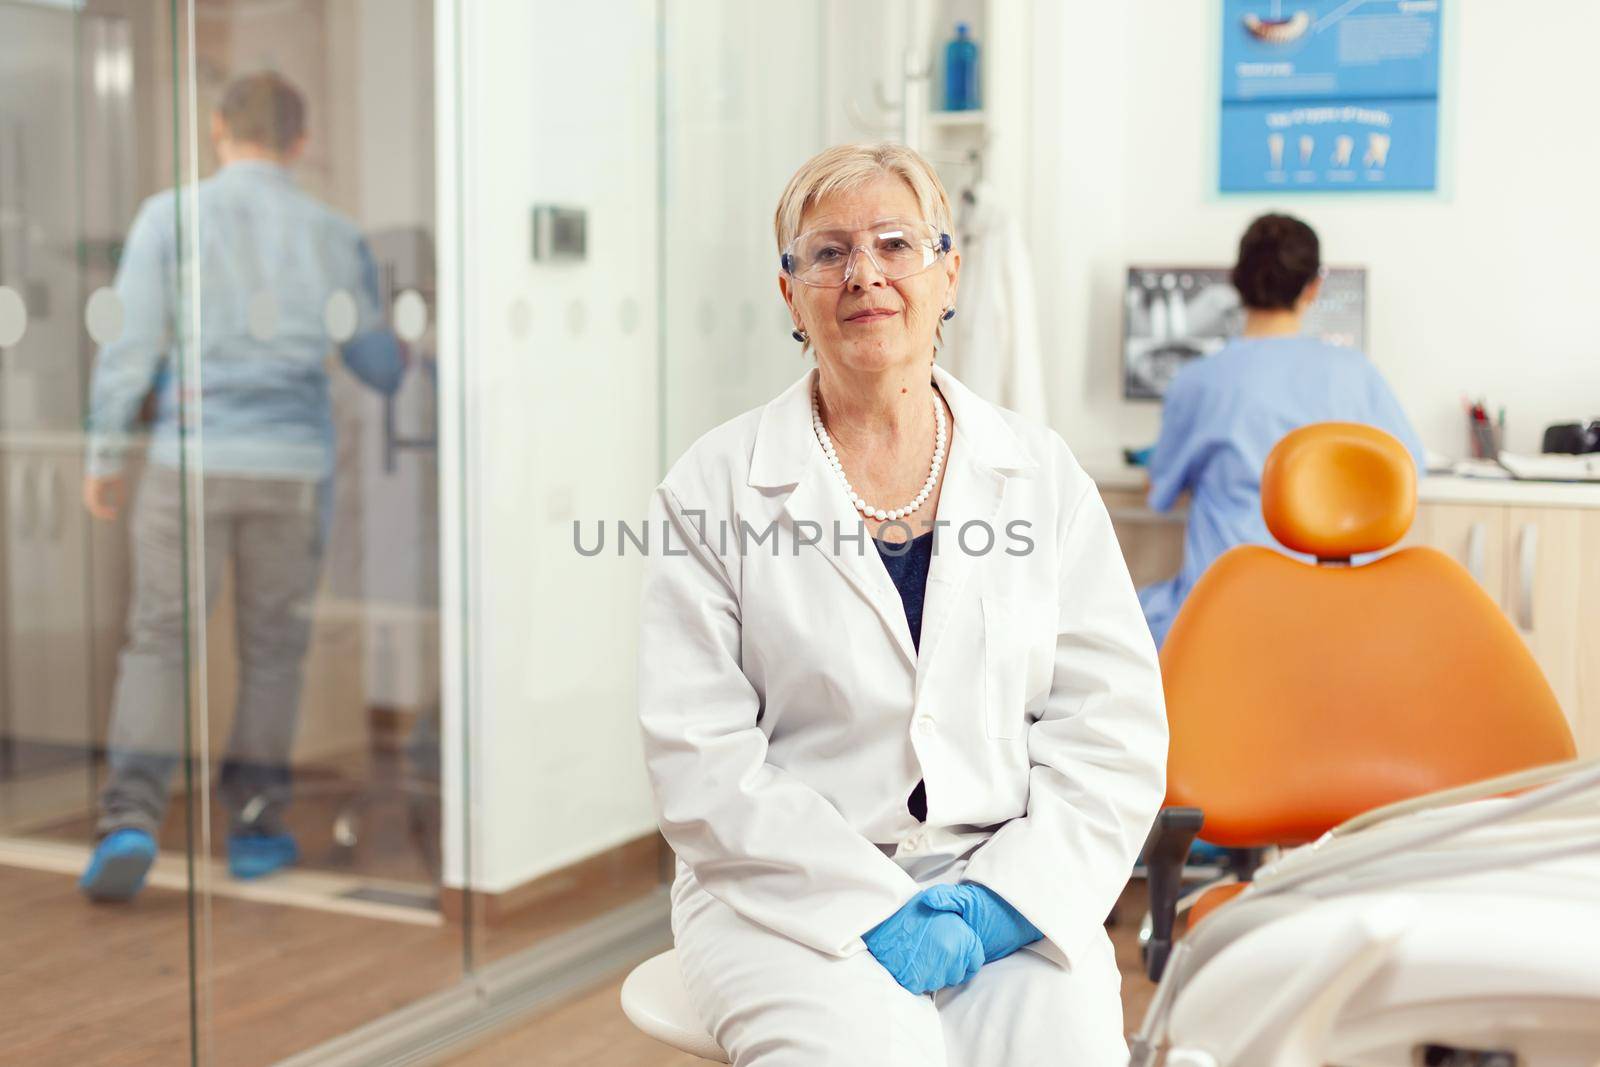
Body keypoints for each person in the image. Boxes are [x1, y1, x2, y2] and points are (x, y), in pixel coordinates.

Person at [636, 143, 1167, 1065]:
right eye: (829, 251)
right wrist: (865, 902)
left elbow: (1110, 727)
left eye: (895, 243)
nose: (865, 274)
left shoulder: (1041, 477)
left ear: (949, 274)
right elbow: (701, 761)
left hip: (999, 881)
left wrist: (1004, 902)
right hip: (783, 896)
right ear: (789, 290)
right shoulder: (711, 490)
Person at [78, 72, 403, 901]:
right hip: (292, 470)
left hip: (191, 463)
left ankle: (131, 819)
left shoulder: (170, 216)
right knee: (273, 652)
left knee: (158, 638)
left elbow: (132, 347)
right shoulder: (333, 233)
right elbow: (375, 361)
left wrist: (105, 453)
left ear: (219, 129)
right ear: (300, 142)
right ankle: (256, 825)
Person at [1138, 213, 1425, 648]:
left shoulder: (1196, 382)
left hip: (1226, 612)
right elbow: (1408, 474)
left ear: (1237, 282)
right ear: (1314, 287)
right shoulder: (1357, 374)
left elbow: (1159, 493)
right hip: (1339, 613)